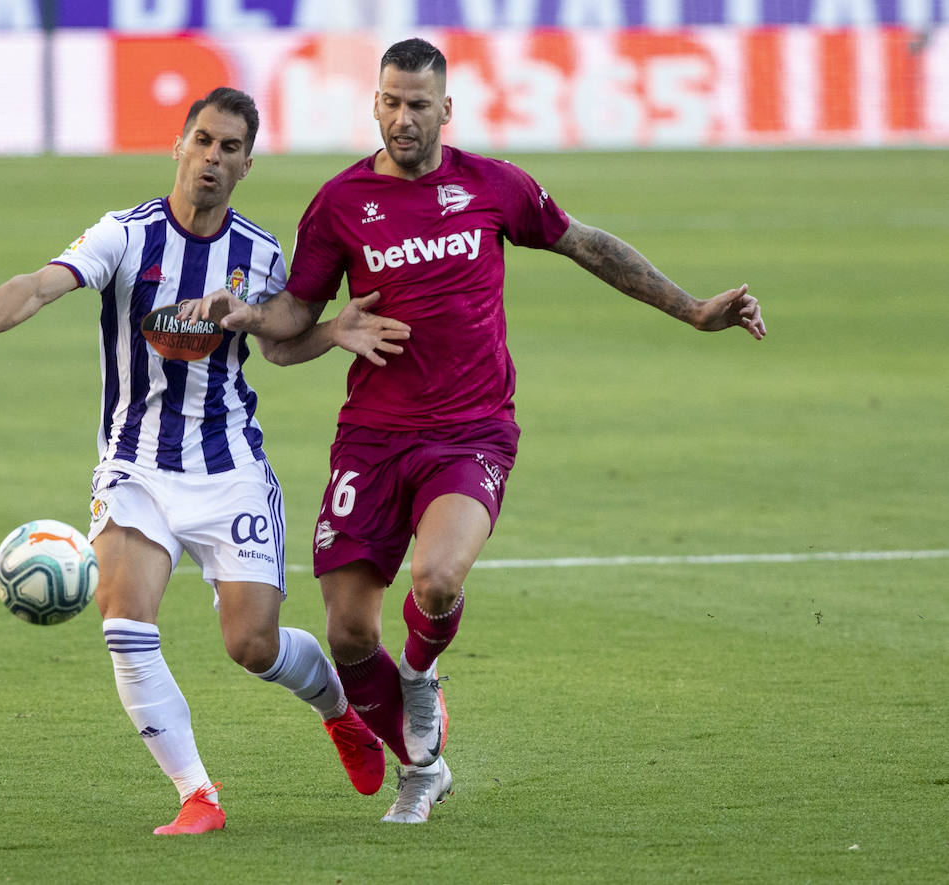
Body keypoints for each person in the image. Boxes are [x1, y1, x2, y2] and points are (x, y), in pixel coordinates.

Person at [180, 39, 766, 824]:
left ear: (446, 110)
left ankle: (421, 675)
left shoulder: (492, 186)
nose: (402, 118)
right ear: (376, 103)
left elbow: (586, 242)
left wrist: (692, 308)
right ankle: (423, 769)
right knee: (349, 633)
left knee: (437, 580)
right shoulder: (341, 202)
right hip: (373, 437)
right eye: (390, 101)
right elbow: (294, 319)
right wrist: (247, 312)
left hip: (471, 431)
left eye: (419, 104)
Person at [0, 87, 406, 834]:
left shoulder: (260, 254)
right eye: (203, 141)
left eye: (230, 148)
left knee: (253, 644)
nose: (213, 157)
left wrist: (332, 330)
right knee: (123, 616)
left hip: (229, 464)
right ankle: (197, 794)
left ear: (247, 163)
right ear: (179, 145)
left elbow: (278, 344)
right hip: (135, 466)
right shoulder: (126, 234)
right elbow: (42, 283)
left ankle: (340, 713)